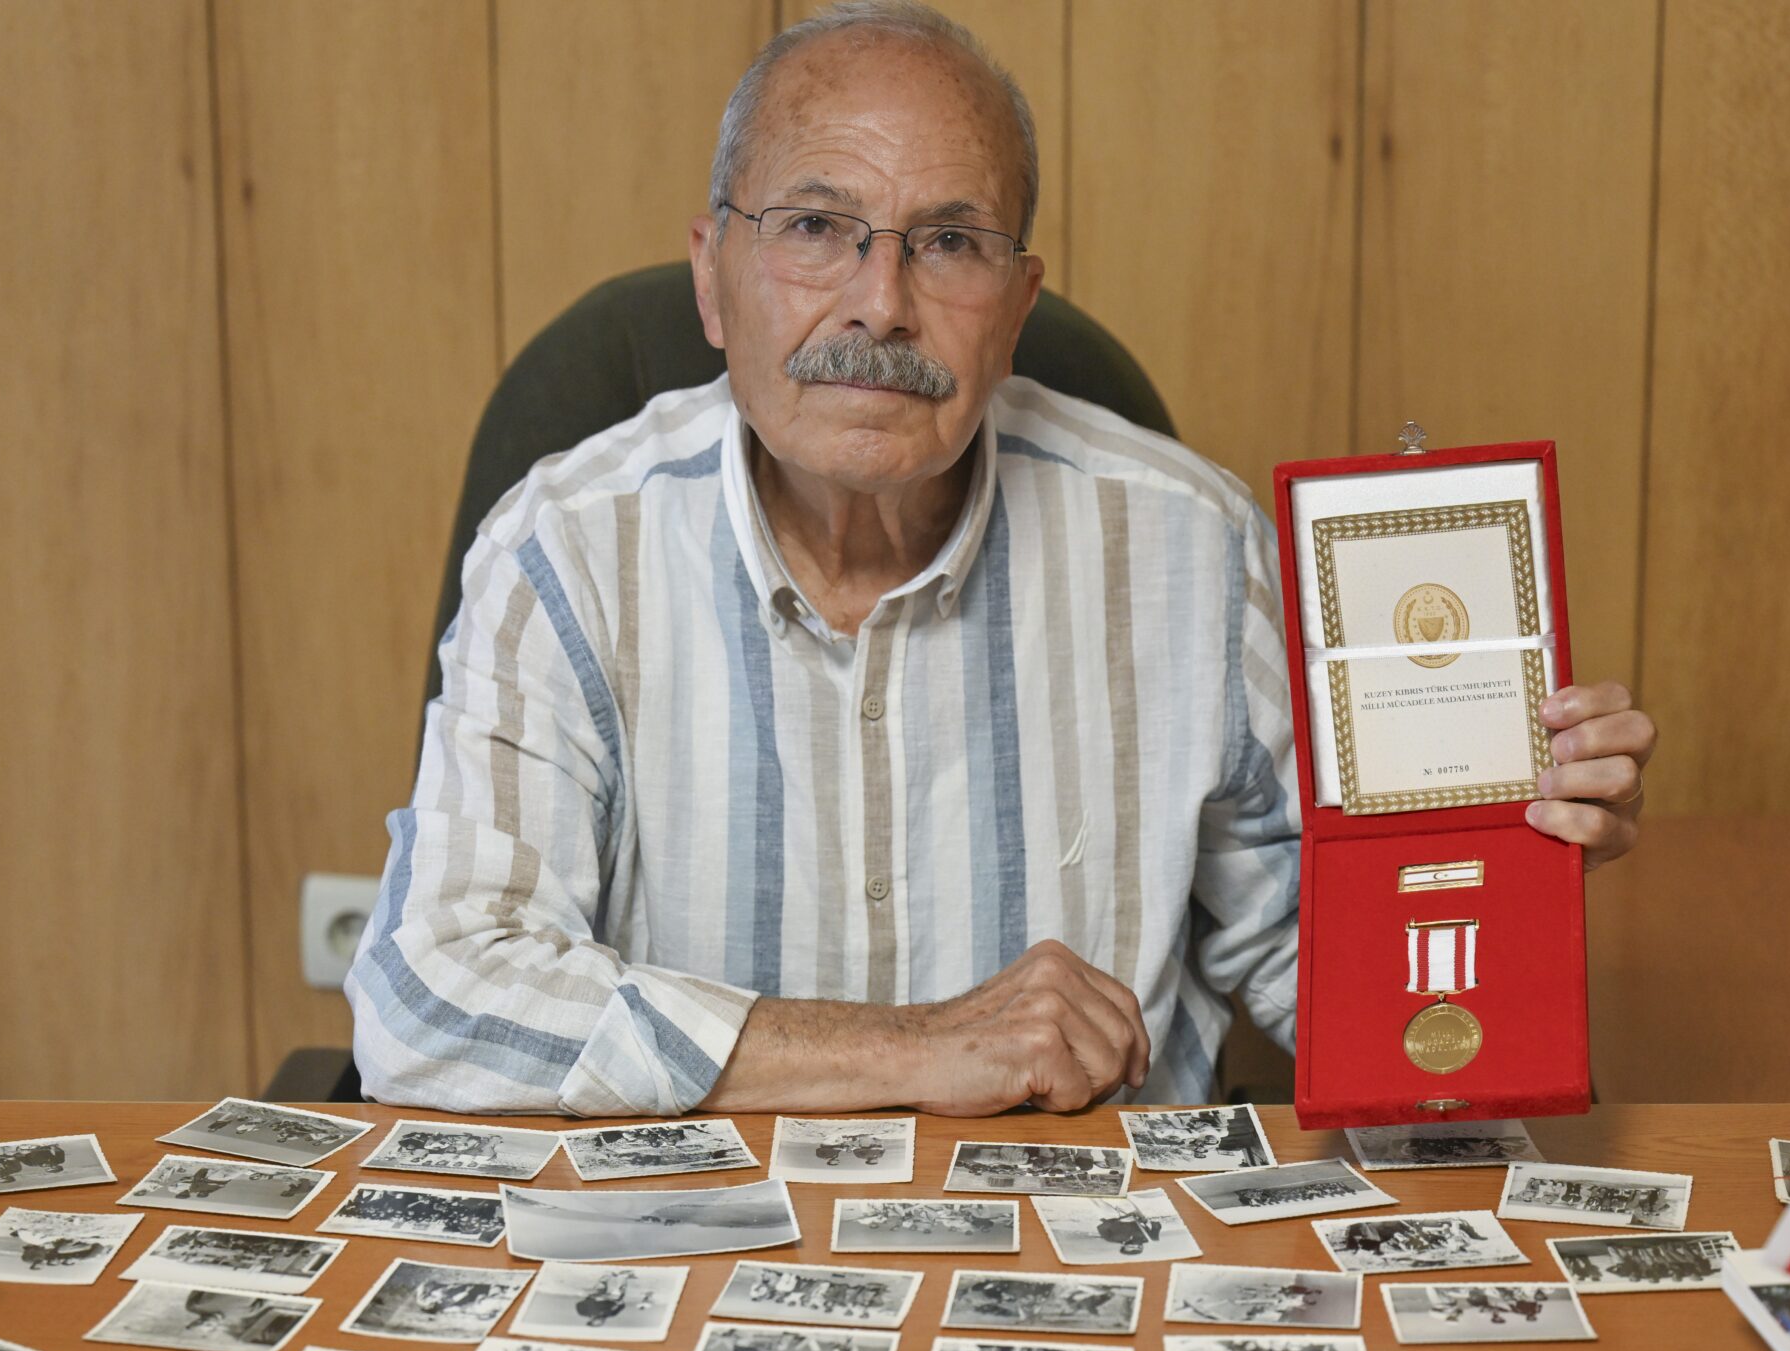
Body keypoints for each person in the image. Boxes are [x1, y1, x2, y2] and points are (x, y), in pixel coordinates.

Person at [348, 0, 1657, 1116]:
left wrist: (1497, 860)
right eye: (815, 226)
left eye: (950, 242)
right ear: (712, 277)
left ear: (1018, 307)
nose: (880, 303)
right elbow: (432, 999)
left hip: (1088, 1254)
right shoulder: (566, 548)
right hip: (689, 1263)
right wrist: (911, 1049)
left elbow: (1333, 979)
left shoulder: (1191, 550)